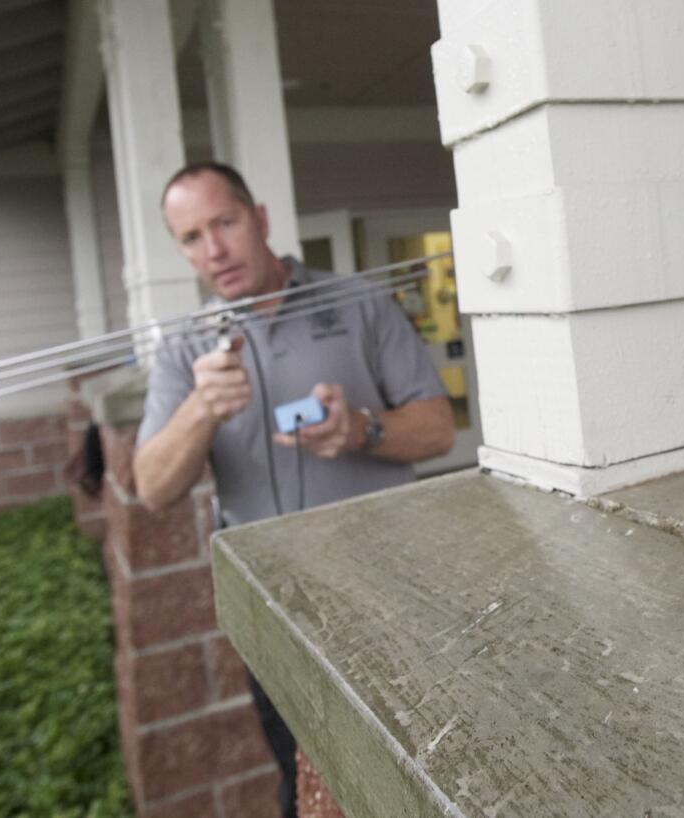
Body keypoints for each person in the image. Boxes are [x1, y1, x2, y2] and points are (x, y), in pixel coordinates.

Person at [134, 161, 455, 817]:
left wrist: (360, 430)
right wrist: (200, 409)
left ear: (260, 219)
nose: (214, 250)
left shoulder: (359, 303)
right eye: (191, 237)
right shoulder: (184, 349)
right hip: (271, 611)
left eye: (223, 223)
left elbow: (439, 429)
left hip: (387, 591)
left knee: (415, 766)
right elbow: (151, 488)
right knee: (302, 779)